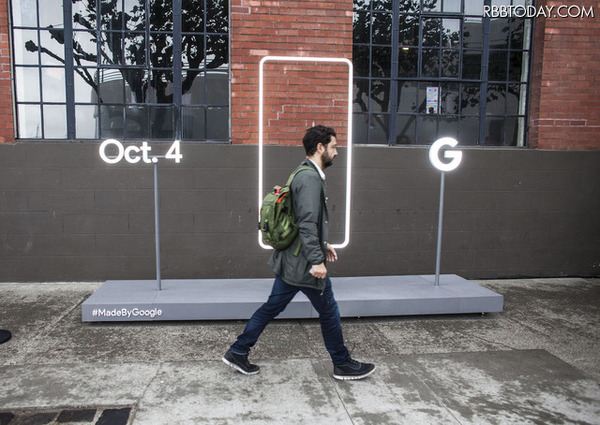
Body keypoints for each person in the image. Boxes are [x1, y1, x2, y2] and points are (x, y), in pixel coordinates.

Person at [223, 125, 375, 381]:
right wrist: (317, 260)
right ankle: (342, 363)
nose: (336, 153)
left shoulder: (304, 173)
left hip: (292, 261)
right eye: (334, 147)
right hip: (303, 264)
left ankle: (238, 351)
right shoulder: (309, 178)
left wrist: (322, 244)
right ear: (320, 147)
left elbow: (303, 221)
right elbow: (305, 222)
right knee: (329, 311)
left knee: (272, 307)